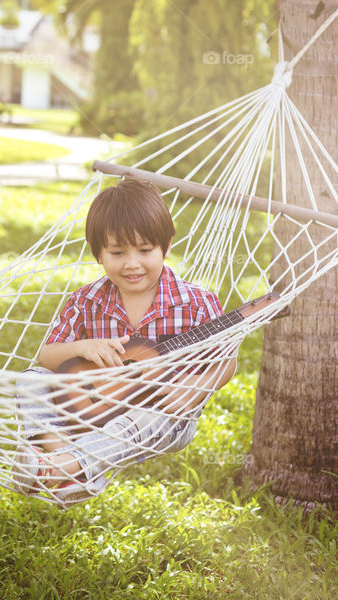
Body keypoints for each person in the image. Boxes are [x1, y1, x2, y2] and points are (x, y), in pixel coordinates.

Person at [13, 179, 238, 505]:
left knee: (149, 414)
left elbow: (226, 361)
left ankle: (60, 468)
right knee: (30, 381)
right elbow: (46, 356)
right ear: (98, 255)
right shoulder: (86, 300)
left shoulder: (197, 303)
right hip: (89, 409)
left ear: (167, 246)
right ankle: (67, 466)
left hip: (164, 416)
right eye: (118, 252)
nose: (132, 263)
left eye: (145, 250)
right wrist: (81, 347)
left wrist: (198, 389)